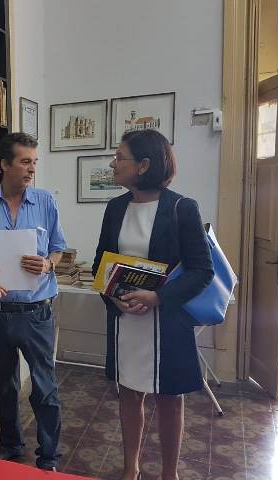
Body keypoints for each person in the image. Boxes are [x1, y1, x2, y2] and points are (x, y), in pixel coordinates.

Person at [92, 129, 214, 480]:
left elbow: (202, 271)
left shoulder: (182, 208)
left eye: (119, 157)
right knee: (129, 394)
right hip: (126, 321)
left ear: (144, 165)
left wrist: (158, 297)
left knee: (169, 399)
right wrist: (113, 296)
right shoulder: (115, 208)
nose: (113, 164)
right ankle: (130, 469)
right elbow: (101, 263)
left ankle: (168, 474)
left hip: (167, 321)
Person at [0, 132, 67, 471]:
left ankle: (48, 456)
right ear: (5, 165)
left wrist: (48, 264)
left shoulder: (45, 202)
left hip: (38, 313)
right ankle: (10, 443)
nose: (32, 169)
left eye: (35, 162)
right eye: (25, 162)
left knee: (45, 388)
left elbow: (59, 249)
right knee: (4, 385)